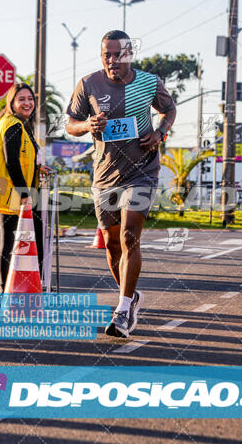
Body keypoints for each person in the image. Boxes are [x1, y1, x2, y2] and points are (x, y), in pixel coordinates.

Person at [66, 30, 176, 338]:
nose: (113, 60)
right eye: (107, 55)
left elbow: (169, 110)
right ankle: (131, 296)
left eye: (118, 55)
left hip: (142, 170)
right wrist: (88, 124)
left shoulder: (149, 82)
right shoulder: (88, 83)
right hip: (105, 175)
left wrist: (160, 133)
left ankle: (123, 309)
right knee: (113, 245)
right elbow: (70, 124)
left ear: (129, 54)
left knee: (129, 237)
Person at [0, 83, 50, 292]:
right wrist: (24, 194)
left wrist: (37, 167)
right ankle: (4, 288)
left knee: (8, 240)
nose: (27, 103)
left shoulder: (9, 123)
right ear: (12, 103)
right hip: (12, 193)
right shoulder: (13, 125)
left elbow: (21, 157)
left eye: (30, 99)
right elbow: (12, 162)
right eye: (21, 99)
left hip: (7, 192)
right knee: (10, 243)